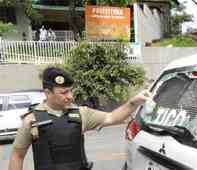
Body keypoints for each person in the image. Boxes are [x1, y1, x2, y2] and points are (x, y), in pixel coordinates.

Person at [8, 67, 151, 170]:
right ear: (48, 93)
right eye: (63, 92)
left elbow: (111, 117)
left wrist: (133, 102)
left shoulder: (81, 113)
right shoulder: (32, 120)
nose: (70, 96)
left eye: (71, 91)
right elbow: (17, 155)